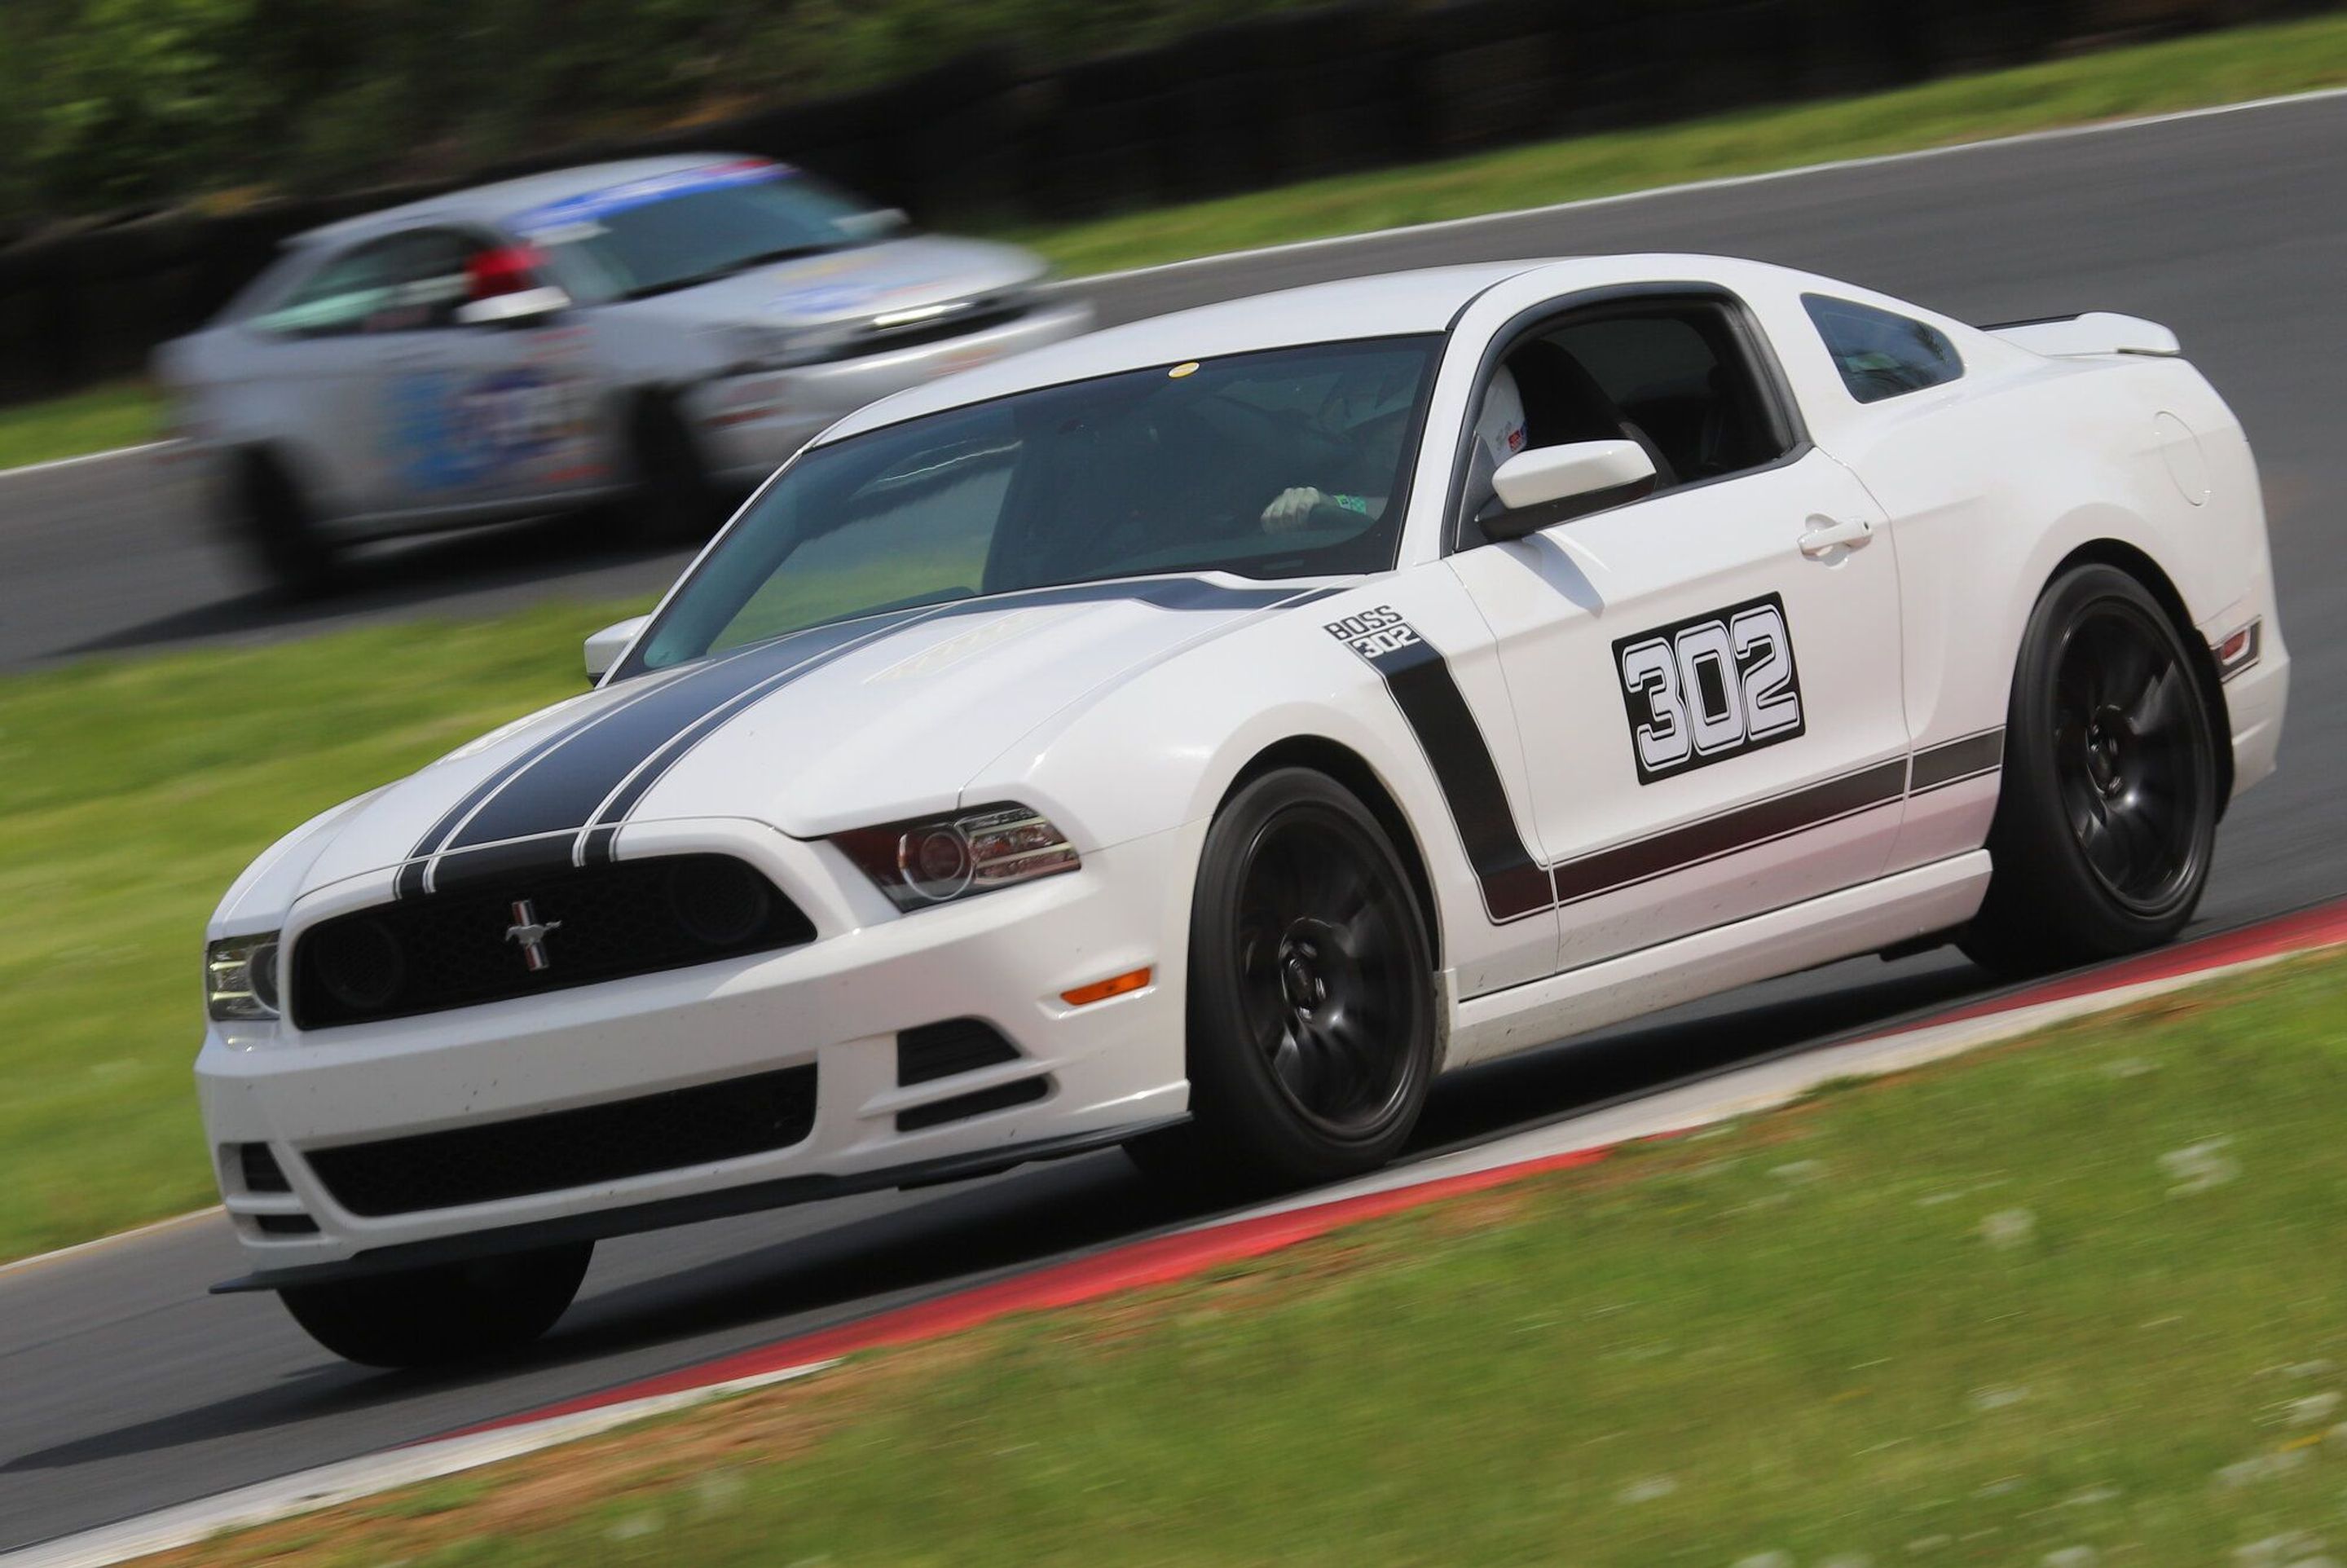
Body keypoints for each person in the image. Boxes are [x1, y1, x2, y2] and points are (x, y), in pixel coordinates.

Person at [1257, 363, 1526, 532]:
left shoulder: (1524, 506)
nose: (1383, 455)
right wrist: (1323, 504)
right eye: (1370, 439)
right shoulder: (1359, 478)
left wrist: (1333, 504)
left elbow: (1414, 516)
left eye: (1400, 437)